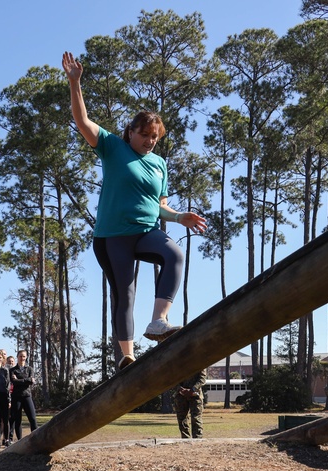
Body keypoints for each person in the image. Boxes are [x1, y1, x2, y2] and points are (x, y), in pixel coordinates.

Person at [63, 51, 208, 372]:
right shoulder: (113, 147)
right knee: (124, 292)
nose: (149, 142)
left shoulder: (159, 164)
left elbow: (161, 207)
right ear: (130, 132)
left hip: (144, 233)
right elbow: (83, 122)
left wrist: (179, 216)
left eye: (155, 137)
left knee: (175, 255)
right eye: (144, 135)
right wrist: (75, 84)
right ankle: (127, 357)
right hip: (113, 237)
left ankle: (159, 321)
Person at [9, 349, 38, 440]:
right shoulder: (12, 370)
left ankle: (36, 438)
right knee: (18, 420)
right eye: (20, 356)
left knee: (32, 418)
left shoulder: (29, 369)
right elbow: (14, 382)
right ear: (17, 357)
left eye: (24, 356)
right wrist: (26, 380)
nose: (22, 358)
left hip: (27, 395)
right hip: (16, 397)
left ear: (26, 357)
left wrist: (19, 380)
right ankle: (19, 440)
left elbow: (31, 381)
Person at [174, 367, 208, 439]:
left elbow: (202, 379)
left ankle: (197, 439)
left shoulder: (199, 362)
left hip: (195, 395)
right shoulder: (178, 362)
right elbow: (172, 378)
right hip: (181, 395)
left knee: (196, 418)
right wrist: (180, 389)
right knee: (182, 419)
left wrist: (193, 389)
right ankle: (185, 439)